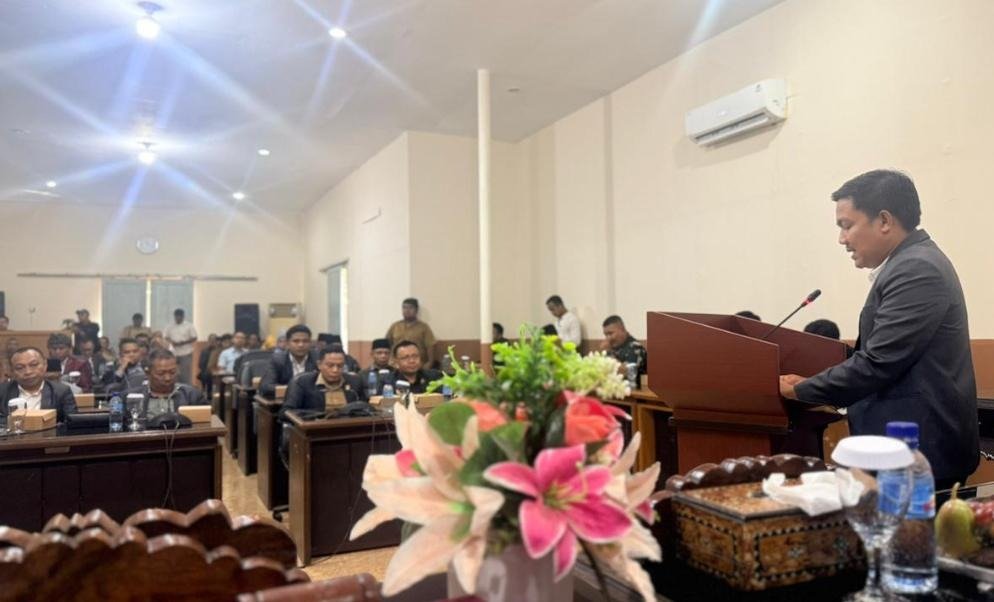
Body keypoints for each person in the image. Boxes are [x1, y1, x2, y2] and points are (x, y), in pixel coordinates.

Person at [779, 169, 978, 488]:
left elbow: (878, 362)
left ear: (884, 221)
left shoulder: (916, 268)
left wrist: (799, 391)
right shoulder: (909, 263)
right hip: (905, 451)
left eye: (847, 225)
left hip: (919, 456)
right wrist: (810, 383)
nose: (842, 239)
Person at [281, 347, 366, 418]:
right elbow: (286, 412)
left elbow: (364, 409)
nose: (335, 370)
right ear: (319, 365)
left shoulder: (354, 382)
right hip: (314, 430)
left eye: (340, 366)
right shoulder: (302, 382)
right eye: (330, 365)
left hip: (349, 428)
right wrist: (321, 415)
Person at [126, 348, 207, 420]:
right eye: (161, 373)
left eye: (172, 372)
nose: (167, 378)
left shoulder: (192, 396)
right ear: (148, 373)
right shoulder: (131, 397)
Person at [1, 347, 77, 423]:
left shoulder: (61, 392)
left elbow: (71, 424)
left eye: (33, 365)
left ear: (45, 365)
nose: (28, 372)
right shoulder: (2, 391)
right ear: (12, 371)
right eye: (20, 368)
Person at [260, 325, 317, 397]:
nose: (301, 345)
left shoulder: (317, 359)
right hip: (284, 401)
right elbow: (266, 387)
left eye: (305, 341)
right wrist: (295, 390)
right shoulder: (277, 360)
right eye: (296, 341)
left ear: (310, 343)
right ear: (287, 343)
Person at [385, 298, 437, 368]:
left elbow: (430, 346)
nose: (407, 310)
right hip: (396, 366)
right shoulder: (395, 326)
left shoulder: (424, 327)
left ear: (416, 310)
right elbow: (387, 344)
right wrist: (389, 362)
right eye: (404, 308)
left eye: (410, 308)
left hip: (417, 365)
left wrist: (429, 364)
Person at [164, 308, 197, 385]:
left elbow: (194, 337)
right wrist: (172, 341)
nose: (178, 318)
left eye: (179, 317)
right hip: (173, 353)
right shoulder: (170, 326)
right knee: (173, 372)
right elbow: (166, 336)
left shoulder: (189, 326)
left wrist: (183, 342)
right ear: (174, 316)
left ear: (183, 316)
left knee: (185, 374)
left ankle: (186, 389)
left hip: (186, 352)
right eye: (176, 317)